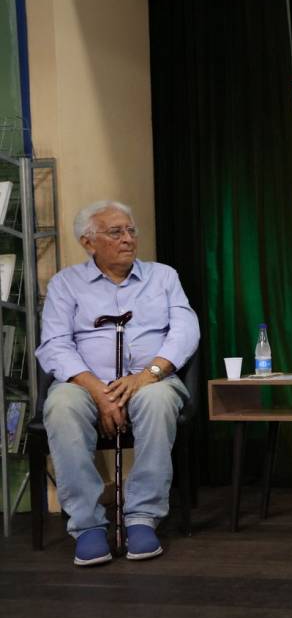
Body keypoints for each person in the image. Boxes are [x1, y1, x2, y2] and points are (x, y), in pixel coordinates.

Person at [36, 200, 199, 566]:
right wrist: (99, 392)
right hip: (84, 384)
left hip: (151, 378)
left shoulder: (163, 277)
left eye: (130, 230)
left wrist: (148, 375)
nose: (128, 239)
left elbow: (186, 330)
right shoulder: (65, 284)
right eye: (115, 232)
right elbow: (55, 345)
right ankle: (88, 526)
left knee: (157, 402)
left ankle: (142, 517)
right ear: (88, 242)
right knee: (60, 406)